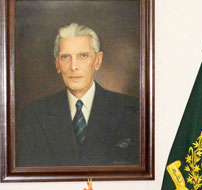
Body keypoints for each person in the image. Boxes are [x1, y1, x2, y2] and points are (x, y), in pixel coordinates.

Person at [17, 22, 140, 167]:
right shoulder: (35, 114)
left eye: (83, 56)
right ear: (57, 64)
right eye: (65, 57)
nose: (74, 66)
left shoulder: (131, 111)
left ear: (98, 61)